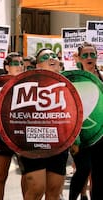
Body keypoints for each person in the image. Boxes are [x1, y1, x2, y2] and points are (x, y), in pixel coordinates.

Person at [18, 48, 68, 200]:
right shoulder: (26, 84)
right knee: (36, 188)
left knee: (54, 191)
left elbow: (75, 114)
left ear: (59, 64)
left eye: (54, 56)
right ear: (38, 66)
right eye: (45, 57)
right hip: (33, 143)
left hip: (59, 143)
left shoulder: (68, 86)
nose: (51, 58)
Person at [0, 52, 24, 200]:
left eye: (21, 63)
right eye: (15, 63)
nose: (20, 66)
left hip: (22, 136)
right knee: (0, 176)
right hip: (2, 137)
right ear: (7, 67)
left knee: (28, 174)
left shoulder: (28, 82)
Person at [75, 41, 103, 200]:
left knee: (98, 174)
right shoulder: (75, 79)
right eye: (85, 55)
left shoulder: (102, 77)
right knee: (83, 170)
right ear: (79, 58)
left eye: (92, 54)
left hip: (101, 134)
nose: (89, 57)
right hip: (82, 135)